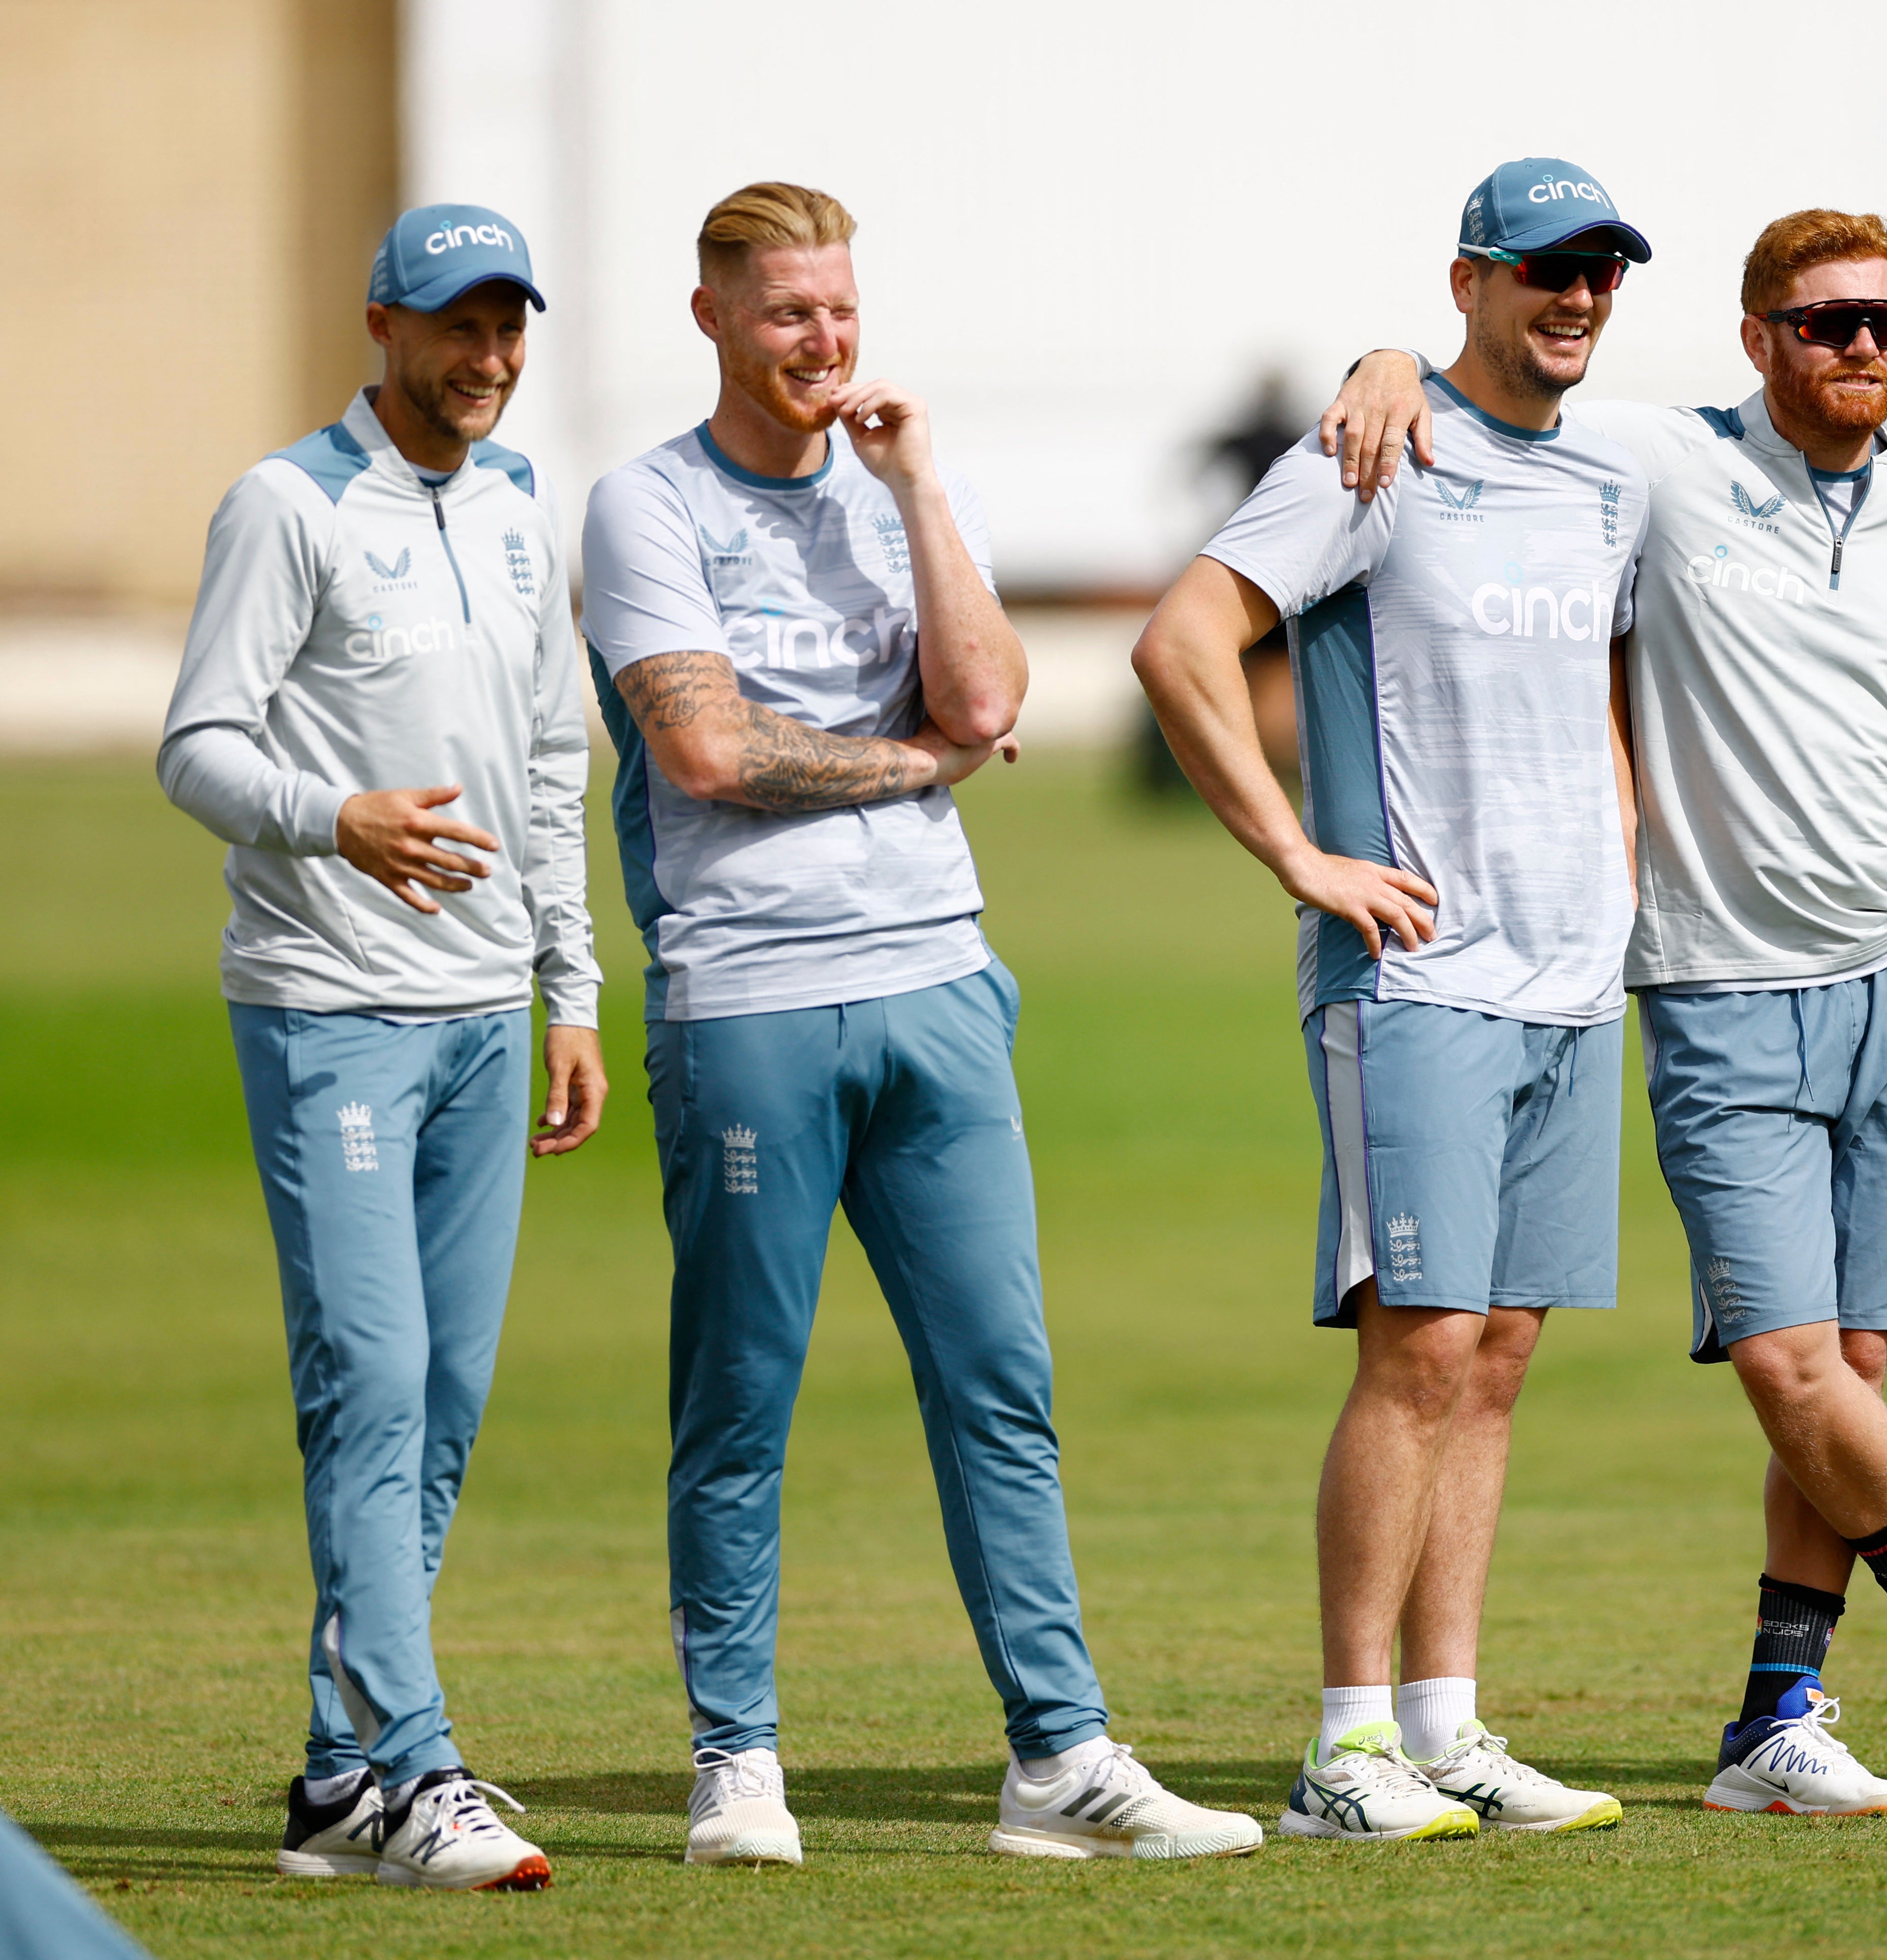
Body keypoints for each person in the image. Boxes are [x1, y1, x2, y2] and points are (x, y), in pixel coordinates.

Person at [1320, 210, 1887, 1815]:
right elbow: (1491, 393)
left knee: (1854, 1370)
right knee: (1784, 1361)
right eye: (1824, 328)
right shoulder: (1660, 465)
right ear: (1757, 339)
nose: (1861, 355)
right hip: (1719, 987)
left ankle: (1775, 1715)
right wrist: (1387, 356)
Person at [579, 181, 1259, 1866]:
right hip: (747, 999)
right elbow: (712, 758)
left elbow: (990, 697)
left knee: (1000, 1383)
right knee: (743, 1391)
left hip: (939, 982)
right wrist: (911, 770)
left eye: (840, 309)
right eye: (788, 312)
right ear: (714, 319)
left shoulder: (892, 495)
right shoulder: (646, 506)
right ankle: (737, 1759)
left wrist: (921, 488)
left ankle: (1061, 1756)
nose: (823, 341)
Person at [1128, 157, 1656, 1842]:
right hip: (1414, 982)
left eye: (1600, 276)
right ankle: (1345, 1744)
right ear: (1472, 282)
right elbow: (1181, 641)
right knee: (1416, 1349)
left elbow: (1614, 682)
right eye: (1544, 274)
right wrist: (1297, 854)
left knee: (1496, 1358)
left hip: (1577, 984)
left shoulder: (1612, 481)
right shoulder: (1377, 446)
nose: (1575, 300)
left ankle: (1449, 1724)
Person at [157, 203, 604, 1892]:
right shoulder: (285, 506)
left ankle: (341, 1772)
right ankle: (421, 1768)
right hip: (328, 1004)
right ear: (382, 326)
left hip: (491, 1017)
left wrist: (573, 991)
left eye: (507, 327)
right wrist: (333, 819)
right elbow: (196, 747)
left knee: (447, 1404)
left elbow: (553, 764)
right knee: (376, 1382)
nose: (484, 359)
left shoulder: (512, 509)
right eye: (453, 327)